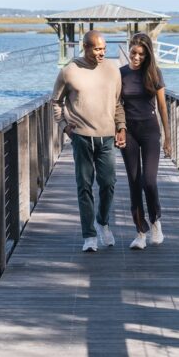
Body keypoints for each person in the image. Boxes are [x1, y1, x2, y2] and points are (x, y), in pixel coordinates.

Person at [52, 30, 127, 252]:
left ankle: (102, 221)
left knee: (108, 183)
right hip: (81, 137)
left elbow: (117, 103)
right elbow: (56, 102)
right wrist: (64, 126)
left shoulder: (113, 71)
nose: (102, 53)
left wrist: (121, 127)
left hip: (106, 137)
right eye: (97, 49)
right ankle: (89, 235)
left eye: (104, 48)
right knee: (84, 186)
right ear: (85, 47)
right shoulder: (69, 71)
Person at [119, 32, 171, 250]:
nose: (136, 57)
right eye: (133, 52)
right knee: (134, 181)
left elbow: (162, 107)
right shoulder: (120, 74)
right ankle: (140, 232)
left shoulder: (154, 73)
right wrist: (119, 129)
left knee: (149, 181)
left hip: (150, 131)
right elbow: (116, 104)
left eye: (141, 54)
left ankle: (155, 221)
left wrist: (168, 137)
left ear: (147, 54)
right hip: (129, 132)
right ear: (128, 50)